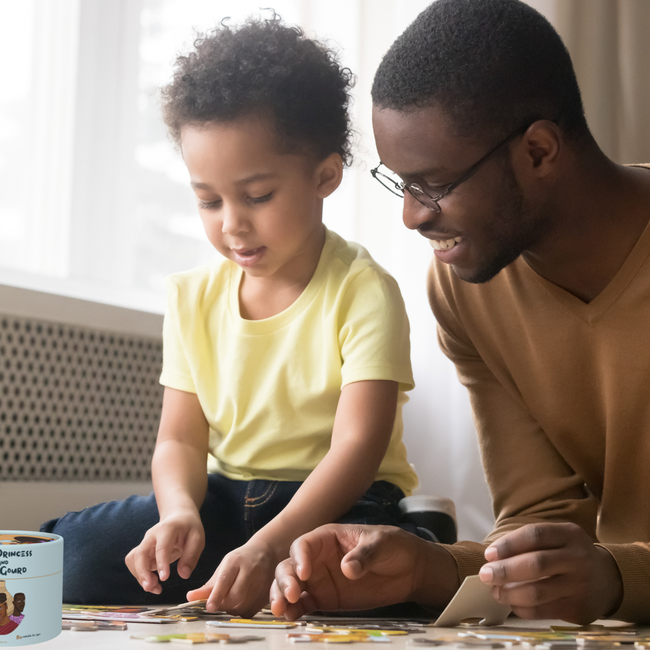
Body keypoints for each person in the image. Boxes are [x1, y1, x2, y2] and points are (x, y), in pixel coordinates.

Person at [271, 0, 650, 625]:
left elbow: (599, 571)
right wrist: (427, 568)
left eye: (433, 184)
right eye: (401, 183)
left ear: (538, 151)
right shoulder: (467, 290)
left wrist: (618, 578)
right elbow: (540, 529)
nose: (412, 215)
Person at [40, 14, 419, 616]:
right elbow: (179, 440)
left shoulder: (363, 289)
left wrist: (270, 544)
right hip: (221, 498)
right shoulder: (192, 296)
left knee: (341, 575)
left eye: (257, 196)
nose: (232, 224)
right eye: (208, 201)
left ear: (324, 176)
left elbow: (357, 447)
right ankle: (238, 564)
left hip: (334, 502)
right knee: (68, 556)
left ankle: (412, 542)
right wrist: (179, 513)